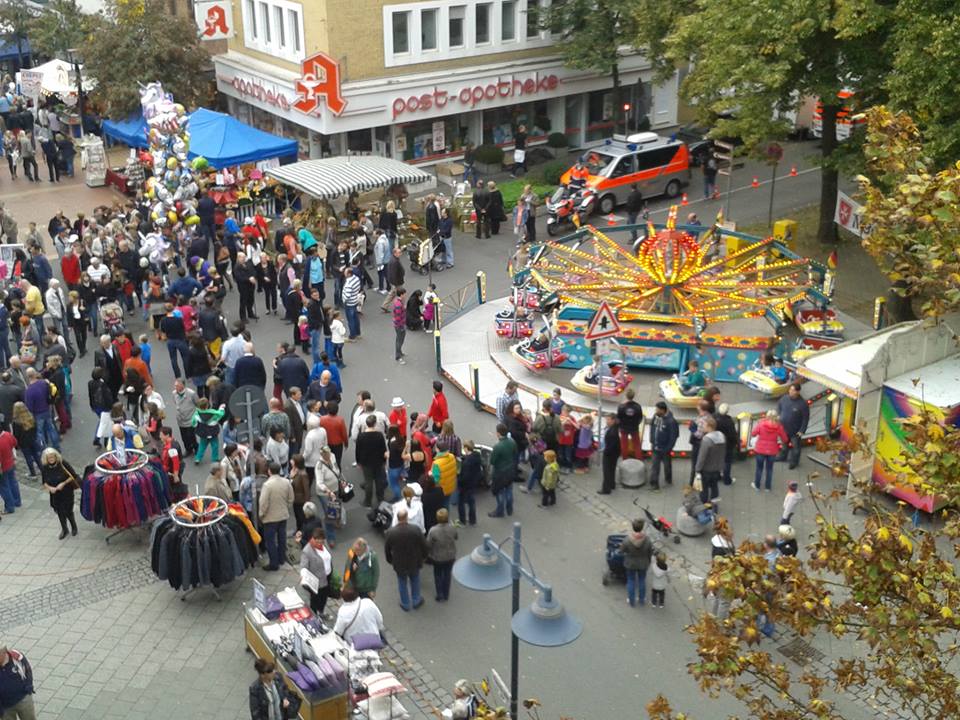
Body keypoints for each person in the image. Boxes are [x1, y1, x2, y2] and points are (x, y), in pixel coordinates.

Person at [384, 507, 430, 611]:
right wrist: (424, 557)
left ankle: (405, 603)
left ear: (398, 518)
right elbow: (424, 545)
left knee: (402, 582)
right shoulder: (415, 529)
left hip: (399, 562)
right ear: (407, 517)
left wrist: (390, 560)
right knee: (415, 580)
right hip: (414, 560)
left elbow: (387, 548)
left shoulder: (391, 532)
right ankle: (416, 600)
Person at [259, 463, 294, 571]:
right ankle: (281, 558)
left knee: (270, 541)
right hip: (283, 515)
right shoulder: (286, 482)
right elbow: (291, 498)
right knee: (281, 538)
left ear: (269, 471)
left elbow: (263, 502)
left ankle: (274, 563)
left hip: (270, 518)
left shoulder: (267, 485)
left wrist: (261, 514)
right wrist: (286, 507)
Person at [40, 447, 79, 539]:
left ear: (56, 456)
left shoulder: (63, 463)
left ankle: (74, 527)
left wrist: (63, 483)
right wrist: (50, 488)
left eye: (52, 457)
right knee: (60, 512)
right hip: (55, 494)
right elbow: (44, 482)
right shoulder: (45, 467)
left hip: (66, 492)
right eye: (49, 458)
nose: (51, 459)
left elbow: (73, 475)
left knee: (68, 511)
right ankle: (64, 529)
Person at [619, 518, 654, 607]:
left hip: (630, 563)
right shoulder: (647, 540)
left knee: (631, 581)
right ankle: (641, 599)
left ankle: (631, 600)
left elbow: (621, 551)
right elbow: (650, 552)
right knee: (642, 580)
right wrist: (648, 561)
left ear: (633, 527)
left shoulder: (627, 540)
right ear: (642, 528)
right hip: (643, 563)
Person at [356, 414, 388, 508]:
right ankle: (380, 498)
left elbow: (358, 450)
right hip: (378, 461)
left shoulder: (361, 436)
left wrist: (358, 461)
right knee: (379, 480)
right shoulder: (379, 435)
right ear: (375, 424)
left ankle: (368, 501)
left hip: (366, 462)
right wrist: (384, 461)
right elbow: (383, 449)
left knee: (368, 481)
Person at [752, 409, 789, 491]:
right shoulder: (779, 427)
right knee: (769, 469)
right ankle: (767, 487)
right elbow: (785, 439)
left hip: (760, 450)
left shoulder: (761, 424)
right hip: (772, 451)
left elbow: (753, 434)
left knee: (759, 468)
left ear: (767, 416)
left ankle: (757, 485)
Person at [426, 507, 458, 602]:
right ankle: (446, 593)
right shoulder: (452, 527)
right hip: (450, 555)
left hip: (437, 557)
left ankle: (439, 594)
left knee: (438, 575)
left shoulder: (433, 530)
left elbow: (428, 544)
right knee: (447, 574)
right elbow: (456, 537)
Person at [300, 526, 332, 615]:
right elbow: (303, 565)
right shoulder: (307, 551)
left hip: (327, 576)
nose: (319, 542)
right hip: (317, 580)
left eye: (321, 540)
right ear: (313, 538)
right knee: (315, 599)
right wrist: (303, 574)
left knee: (324, 597)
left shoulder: (324, 544)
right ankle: (315, 616)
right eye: (316, 539)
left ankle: (321, 612)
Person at [777, 383, 809, 469]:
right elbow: (779, 405)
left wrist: (802, 430)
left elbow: (805, 418)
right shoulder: (784, 398)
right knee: (784, 444)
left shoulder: (803, 404)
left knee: (796, 447)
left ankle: (794, 462)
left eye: (793, 390)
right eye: (790, 390)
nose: (790, 391)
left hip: (795, 431)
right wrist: (779, 414)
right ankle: (782, 456)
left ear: (798, 392)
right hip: (784, 428)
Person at [488, 423, 517, 518]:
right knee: (509, 490)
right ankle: (509, 508)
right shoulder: (512, 442)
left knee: (500, 492)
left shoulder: (497, 446)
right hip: (511, 470)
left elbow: (492, 461)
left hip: (500, 473)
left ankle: (500, 511)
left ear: (498, 433)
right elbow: (515, 454)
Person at [694, 415, 725, 503]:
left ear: (709, 427)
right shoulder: (722, 437)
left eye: (704, 425)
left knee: (704, 489)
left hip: (706, 470)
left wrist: (697, 469)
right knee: (714, 487)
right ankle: (714, 505)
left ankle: (704, 506)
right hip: (717, 468)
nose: (702, 427)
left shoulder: (706, 440)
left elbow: (702, 457)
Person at [0, 645, 36, 720]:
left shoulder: (15, 656)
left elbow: (27, 669)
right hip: (5, 707)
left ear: (4, 652)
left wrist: (29, 686)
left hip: (23, 699)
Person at [649, 401, 678, 489]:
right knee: (655, 466)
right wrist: (652, 440)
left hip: (665, 449)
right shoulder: (656, 416)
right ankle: (654, 483)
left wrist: (668, 448)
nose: (656, 411)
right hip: (655, 447)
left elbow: (673, 436)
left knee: (667, 465)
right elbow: (652, 428)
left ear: (662, 410)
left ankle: (668, 478)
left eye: (657, 409)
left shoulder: (671, 422)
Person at [11, 403, 40, 479]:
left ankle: (33, 474)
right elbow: (36, 428)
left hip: (24, 443)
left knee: (28, 457)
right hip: (33, 440)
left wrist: (16, 445)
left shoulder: (16, 422)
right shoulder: (31, 417)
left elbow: (16, 435)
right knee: (36, 455)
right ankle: (43, 470)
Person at [715, 402, 739, 487]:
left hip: (717, 443)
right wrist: (736, 442)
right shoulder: (729, 421)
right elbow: (732, 434)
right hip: (727, 445)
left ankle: (717, 476)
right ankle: (726, 479)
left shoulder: (714, 417)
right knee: (727, 462)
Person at [616, 388, 643, 460]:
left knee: (624, 445)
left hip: (624, 428)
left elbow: (618, 418)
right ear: (633, 396)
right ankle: (639, 460)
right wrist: (636, 424)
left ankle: (625, 459)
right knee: (637, 445)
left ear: (626, 396)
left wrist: (620, 426)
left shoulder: (621, 407)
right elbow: (640, 417)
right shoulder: (637, 406)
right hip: (634, 428)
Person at [0, 426, 20, 515]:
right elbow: (15, 443)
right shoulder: (8, 435)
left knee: (4, 487)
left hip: (2, 467)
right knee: (13, 482)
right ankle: (17, 501)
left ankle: (9, 507)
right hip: (11, 463)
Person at [599, 414, 620, 495]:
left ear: (613, 420)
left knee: (606, 471)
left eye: (608, 420)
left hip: (610, 453)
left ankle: (606, 489)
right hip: (614, 453)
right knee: (611, 469)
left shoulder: (612, 431)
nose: (606, 421)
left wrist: (605, 451)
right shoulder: (614, 428)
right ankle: (612, 484)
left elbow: (612, 444)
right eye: (606, 419)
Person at [392, 286, 407, 365]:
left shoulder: (399, 301)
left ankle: (400, 352)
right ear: (401, 294)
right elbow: (398, 316)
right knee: (399, 340)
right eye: (404, 294)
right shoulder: (398, 304)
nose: (405, 295)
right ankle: (398, 356)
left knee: (401, 338)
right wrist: (400, 326)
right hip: (399, 325)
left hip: (401, 324)